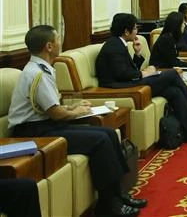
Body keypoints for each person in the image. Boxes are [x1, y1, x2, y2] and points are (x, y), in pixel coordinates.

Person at [8, 25, 147, 217]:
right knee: (100, 139)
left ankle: (118, 193)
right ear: (49, 46)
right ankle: (108, 205)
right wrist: (78, 111)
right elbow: (55, 113)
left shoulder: (41, 68)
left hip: (44, 124)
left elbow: (47, 108)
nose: (60, 42)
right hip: (34, 132)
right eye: (57, 39)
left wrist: (72, 108)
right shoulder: (37, 73)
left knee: (107, 133)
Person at [96, 13, 187, 143]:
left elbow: (127, 70)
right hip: (121, 87)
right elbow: (121, 74)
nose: (137, 31)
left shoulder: (118, 43)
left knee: (174, 92)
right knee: (172, 74)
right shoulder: (114, 46)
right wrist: (144, 74)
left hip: (128, 82)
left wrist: (137, 54)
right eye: (135, 28)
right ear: (126, 31)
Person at [150, 12, 187, 118]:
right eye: (182, 24)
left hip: (171, 67)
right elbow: (173, 62)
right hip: (162, 70)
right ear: (176, 25)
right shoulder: (166, 39)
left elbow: (175, 58)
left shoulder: (172, 38)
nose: (184, 26)